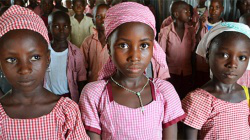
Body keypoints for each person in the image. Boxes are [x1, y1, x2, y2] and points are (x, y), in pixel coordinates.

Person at [79, 2, 185, 140]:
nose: (134, 56)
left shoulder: (165, 92)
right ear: (109, 48)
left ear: (153, 48)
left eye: (144, 45)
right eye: (123, 45)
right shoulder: (94, 95)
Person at [0, 5, 89, 139]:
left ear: (48, 58)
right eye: (11, 59)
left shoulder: (66, 113)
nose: (24, 69)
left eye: (35, 57)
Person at [182, 22, 250, 140]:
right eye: (224, 55)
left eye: (242, 58)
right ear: (208, 56)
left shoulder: (247, 94)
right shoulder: (198, 100)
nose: (232, 64)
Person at [46, 10, 86, 103]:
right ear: (49, 28)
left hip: (68, 98)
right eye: (56, 26)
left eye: (65, 26)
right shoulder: (43, 51)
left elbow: (81, 80)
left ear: (70, 28)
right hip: (47, 98)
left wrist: (80, 103)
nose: (61, 29)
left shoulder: (76, 53)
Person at [158, 1, 196, 99]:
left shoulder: (191, 31)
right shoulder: (165, 31)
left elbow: (193, 52)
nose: (189, 14)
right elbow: (161, 55)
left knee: (185, 97)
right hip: (172, 73)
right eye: (186, 11)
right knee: (173, 98)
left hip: (188, 72)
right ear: (176, 14)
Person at [80, 4, 109, 82]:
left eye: (106, 17)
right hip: (93, 83)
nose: (103, 20)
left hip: (112, 87)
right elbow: (82, 67)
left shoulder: (116, 41)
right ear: (93, 21)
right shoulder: (88, 42)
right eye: (99, 17)